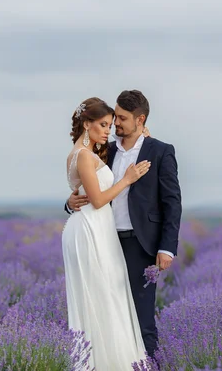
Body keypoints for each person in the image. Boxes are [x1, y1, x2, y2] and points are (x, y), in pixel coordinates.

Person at [66, 90, 182, 358]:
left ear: (140, 120)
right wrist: (70, 203)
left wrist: (167, 247)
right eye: (114, 117)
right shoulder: (104, 149)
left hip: (139, 244)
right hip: (102, 240)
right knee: (108, 313)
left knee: (141, 317)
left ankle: (150, 365)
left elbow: (172, 202)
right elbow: (88, 184)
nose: (115, 124)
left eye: (122, 118)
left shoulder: (161, 151)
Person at [62, 97, 152, 369]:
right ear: (86, 124)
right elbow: (98, 200)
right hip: (91, 231)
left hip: (98, 230)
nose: (108, 131)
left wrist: (144, 135)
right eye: (102, 125)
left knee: (107, 296)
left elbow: (85, 194)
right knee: (102, 296)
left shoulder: (91, 153)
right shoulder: (83, 156)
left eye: (111, 125)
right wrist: (127, 179)